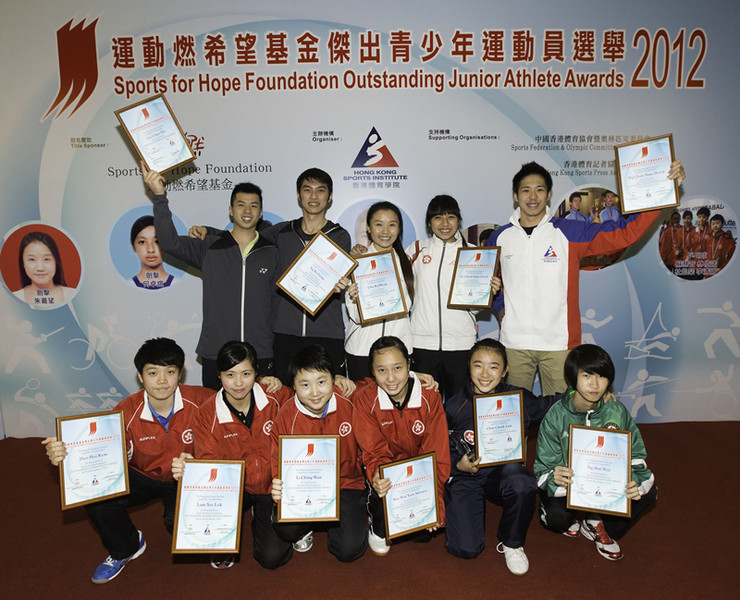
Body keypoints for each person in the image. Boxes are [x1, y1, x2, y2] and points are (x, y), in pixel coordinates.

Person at [485, 160, 686, 396]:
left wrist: (663, 190)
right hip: (513, 345)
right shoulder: (499, 237)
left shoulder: (569, 232)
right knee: (512, 418)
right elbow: (489, 280)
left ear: (549, 195)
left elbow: (624, 234)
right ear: (515, 196)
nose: (533, 196)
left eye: (540, 189)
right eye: (526, 190)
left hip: (559, 344)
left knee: (562, 419)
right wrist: (499, 308)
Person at [42, 338, 211, 584]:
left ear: (180, 374)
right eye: (153, 373)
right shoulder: (124, 412)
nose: (162, 380)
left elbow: (241, 401)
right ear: (141, 377)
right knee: (96, 494)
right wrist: (65, 456)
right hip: (143, 475)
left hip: (185, 476)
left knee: (180, 527)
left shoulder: (204, 400)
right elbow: (96, 454)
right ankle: (126, 547)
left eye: (170, 372)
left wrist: (268, 383)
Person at [190, 168, 351, 386]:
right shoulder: (281, 232)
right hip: (284, 333)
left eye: (320, 191)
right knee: (282, 397)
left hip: (326, 331)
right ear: (298, 195)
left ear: (330, 197)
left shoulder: (340, 236)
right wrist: (208, 231)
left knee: (327, 394)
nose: (314, 196)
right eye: (307, 190)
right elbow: (245, 236)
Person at [143, 163, 281, 389]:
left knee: (260, 419)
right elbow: (169, 242)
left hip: (261, 354)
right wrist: (159, 196)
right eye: (241, 205)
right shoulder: (209, 246)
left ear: (261, 212)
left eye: (253, 206)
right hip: (216, 351)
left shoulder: (272, 252)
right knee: (213, 419)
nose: (247, 211)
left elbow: (277, 303)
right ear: (230, 210)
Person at [444, 339, 563, 575]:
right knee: (466, 549)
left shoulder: (516, 399)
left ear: (505, 370)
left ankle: (512, 542)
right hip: (465, 475)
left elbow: (550, 405)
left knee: (522, 482)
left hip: (499, 474)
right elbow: (437, 448)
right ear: (469, 367)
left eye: (494, 366)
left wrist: (586, 395)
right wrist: (458, 465)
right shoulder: (453, 406)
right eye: (478, 365)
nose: (485, 374)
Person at [171, 340, 292, 569]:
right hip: (234, 487)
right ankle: (223, 536)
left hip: (272, 485)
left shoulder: (277, 396)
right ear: (218, 375)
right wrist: (194, 468)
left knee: (271, 558)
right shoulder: (207, 414)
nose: (238, 383)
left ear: (257, 372)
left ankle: (266, 514)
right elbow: (209, 462)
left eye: (246, 373)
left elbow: (308, 400)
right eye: (230, 374)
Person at [533, 344, 657, 561]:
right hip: (571, 486)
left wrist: (635, 481)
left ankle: (595, 522)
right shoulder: (556, 415)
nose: (595, 384)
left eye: (602, 376)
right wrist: (554, 476)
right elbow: (542, 466)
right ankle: (564, 513)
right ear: (573, 377)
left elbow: (636, 455)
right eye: (587, 375)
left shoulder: (616, 410)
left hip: (607, 484)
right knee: (556, 518)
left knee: (649, 492)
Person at [352, 336, 451, 555]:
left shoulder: (429, 396)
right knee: (382, 504)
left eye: (397, 368)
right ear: (372, 371)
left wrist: (435, 503)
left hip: (418, 477)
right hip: (388, 472)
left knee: (424, 535)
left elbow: (437, 453)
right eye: (382, 371)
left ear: (409, 364)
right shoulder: (364, 399)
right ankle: (376, 524)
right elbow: (374, 451)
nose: (391, 378)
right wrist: (379, 476)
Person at [269, 344, 368, 562]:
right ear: (293, 386)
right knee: (287, 530)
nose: (314, 392)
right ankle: (307, 525)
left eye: (322, 382)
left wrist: (412, 374)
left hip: (346, 484)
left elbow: (382, 382)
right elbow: (277, 462)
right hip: (303, 486)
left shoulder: (349, 400)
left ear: (334, 379)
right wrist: (277, 489)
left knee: (349, 550)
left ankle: (339, 522)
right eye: (305, 384)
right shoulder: (286, 415)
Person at [407, 194, 500, 399]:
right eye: (438, 218)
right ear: (429, 223)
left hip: (461, 344)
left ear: (458, 220)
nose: (445, 223)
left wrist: (487, 295)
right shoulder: (415, 250)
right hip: (422, 344)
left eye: (451, 217)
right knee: (426, 405)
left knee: (458, 404)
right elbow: (403, 294)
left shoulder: (473, 253)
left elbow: (474, 308)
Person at [345, 201, 415, 380]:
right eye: (378, 224)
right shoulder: (356, 263)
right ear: (368, 228)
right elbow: (356, 316)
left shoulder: (409, 261)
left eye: (392, 225)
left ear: (399, 228)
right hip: (362, 350)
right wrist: (356, 299)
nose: (385, 231)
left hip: (399, 350)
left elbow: (410, 306)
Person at [14, 231, 75, 307]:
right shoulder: (13, 298)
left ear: (56, 262)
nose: (40, 268)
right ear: (23, 263)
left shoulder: (74, 295)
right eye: (32, 259)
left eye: (46, 259)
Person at [129, 215, 173, 289]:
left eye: (157, 241)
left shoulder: (179, 285)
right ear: (133, 246)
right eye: (142, 242)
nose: (150, 250)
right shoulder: (127, 287)